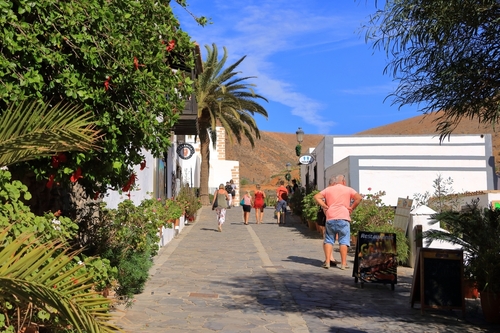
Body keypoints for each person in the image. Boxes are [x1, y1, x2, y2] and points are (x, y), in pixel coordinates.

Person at [314, 175, 362, 270]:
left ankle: (327, 261)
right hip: (343, 217)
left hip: (330, 217)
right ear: (343, 181)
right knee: (344, 241)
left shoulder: (328, 189)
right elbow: (359, 198)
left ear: (335, 182)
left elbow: (316, 196)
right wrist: (351, 207)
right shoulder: (348, 189)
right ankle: (343, 263)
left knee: (328, 240)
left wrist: (324, 205)